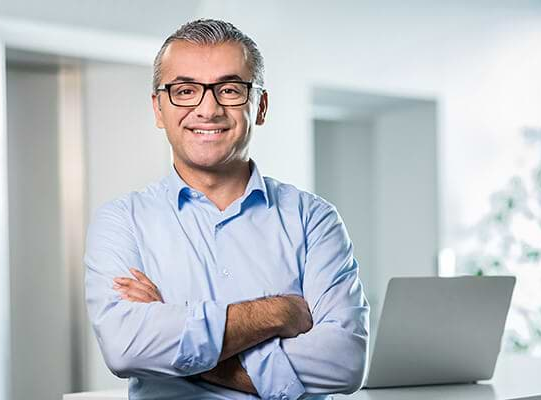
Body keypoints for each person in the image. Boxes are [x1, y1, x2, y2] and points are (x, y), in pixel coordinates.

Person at [84, 18, 369, 400]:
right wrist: (277, 313)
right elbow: (126, 349)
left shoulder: (314, 219)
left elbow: (343, 363)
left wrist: (180, 340)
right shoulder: (121, 222)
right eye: (185, 90)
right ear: (158, 109)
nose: (208, 109)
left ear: (260, 106)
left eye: (230, 89)